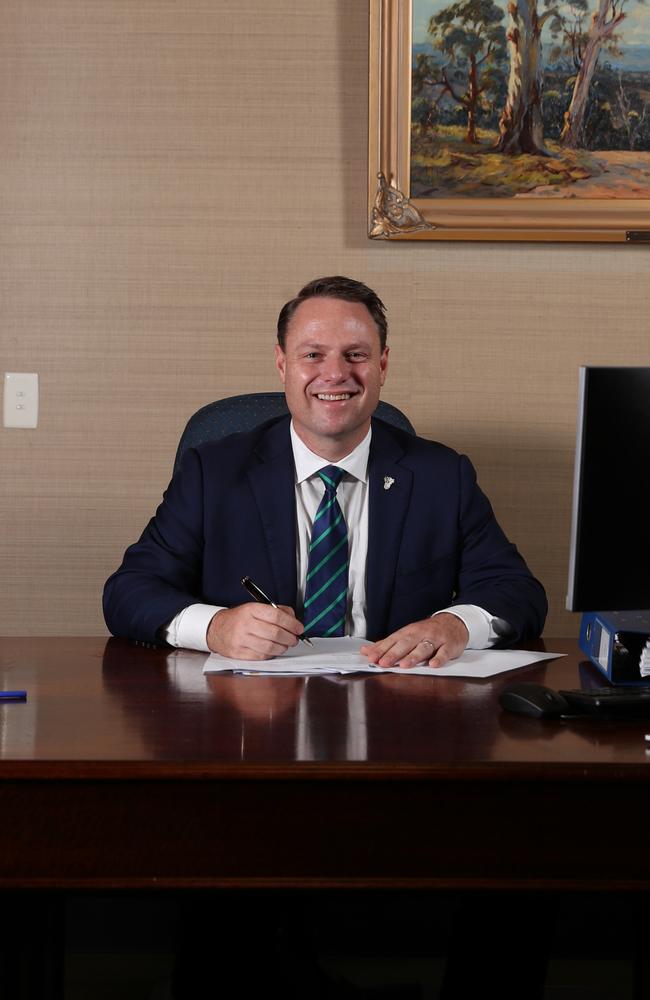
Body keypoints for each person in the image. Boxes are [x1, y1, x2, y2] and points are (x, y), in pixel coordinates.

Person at [103, 276, 546, 663]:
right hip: (248, 715)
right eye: (312, 355)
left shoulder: (442, 475)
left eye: (355, 355)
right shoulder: (214, 472)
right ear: (282, 364)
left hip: (398, 707)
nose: (335, 374)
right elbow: (129, 591)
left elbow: (517, 593)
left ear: (382, 365)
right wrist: (215, 628)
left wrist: (456, 625)